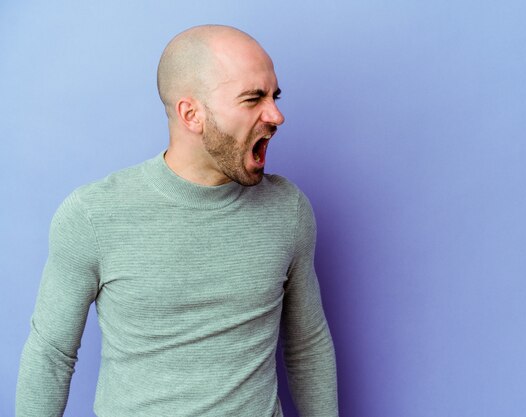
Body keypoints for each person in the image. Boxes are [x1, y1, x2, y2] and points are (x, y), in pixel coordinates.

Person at [16, 25, 338, 417]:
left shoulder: (289, 209)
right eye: (253, 99)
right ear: (192, 114)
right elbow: (50, 354)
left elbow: (307, 345)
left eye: (274, 96)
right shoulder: (92, 215)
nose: (276, 115)